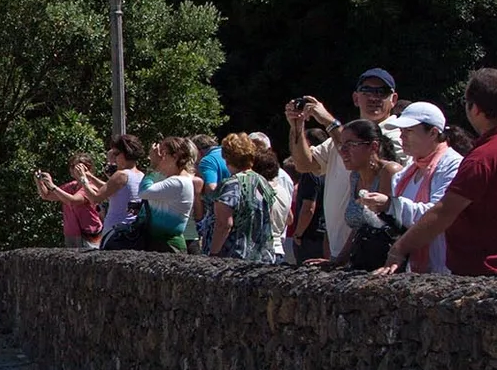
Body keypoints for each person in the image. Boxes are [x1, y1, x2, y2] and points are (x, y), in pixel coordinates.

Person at [379, 68, 497, 278]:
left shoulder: (484, 156)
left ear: (475, 109)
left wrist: (399, 248)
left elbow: (443, 213)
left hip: (484, 272)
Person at [290, 100, 400, 266]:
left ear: (374, 147)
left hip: (387, 267)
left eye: (351, 145)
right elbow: (359, 228)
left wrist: (328, 121)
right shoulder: (355, 177)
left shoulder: (390, 171)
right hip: (360, 262)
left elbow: (392, 227)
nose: (342, 151)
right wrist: (337, 260)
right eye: (343, 145)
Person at [380, 102, 463, 273]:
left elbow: (436, 215)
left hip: (444, 269)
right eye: (401, 131)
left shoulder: (453, 165)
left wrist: (390, 204)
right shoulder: (409, 170)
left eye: (408, 131)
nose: (402, 137)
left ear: (433, 133)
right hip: (411, 268)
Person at [207, 132, 283, 262]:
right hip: (261, 258)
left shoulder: (231, 184)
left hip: (233, 259)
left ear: (227, 157)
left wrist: (213, 255)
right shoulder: (263, 182)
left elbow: (224, 224)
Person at [138, 135, 200, 252]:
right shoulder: (173, 179)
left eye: (163, 153)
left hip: (168, 245)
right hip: (161, 243)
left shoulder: (179, 182)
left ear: (175, 156)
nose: (160, 157)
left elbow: (143, 192)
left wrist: (153, 166)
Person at [32, 153, 105, 247]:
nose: (71, 169)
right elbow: (47, 195)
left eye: (75, 166)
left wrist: (53, 186)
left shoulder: (90, 187)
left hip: (89, 234)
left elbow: (73, 201)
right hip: (71, 234)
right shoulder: (72, 186)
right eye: (71, 166)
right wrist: (40, 182)